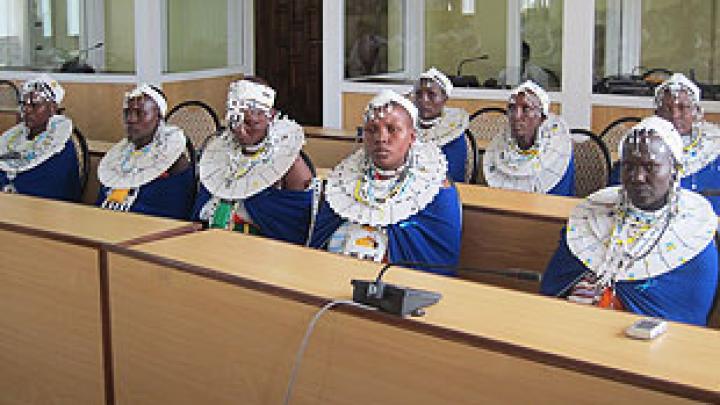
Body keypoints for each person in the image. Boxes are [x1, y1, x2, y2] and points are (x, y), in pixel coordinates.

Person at [541, 116, 718, 327]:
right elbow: (555, 287)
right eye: (629, 166)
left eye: (650, 166)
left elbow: (685, 321)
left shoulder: (693, 238)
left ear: (674, 170)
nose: (638, 177)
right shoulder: (589, 223)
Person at [308, 90, 462, 275]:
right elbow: (320, 244)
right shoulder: (342, 184)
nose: (381, 138)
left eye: (392, 129)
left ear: (412, 137)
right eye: (372, 129)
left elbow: (437, 261)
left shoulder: (435, 189)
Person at [191, 79, 314, 245]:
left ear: (271, 116)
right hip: (211, 242)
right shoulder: (219, 153)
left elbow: (298, 224)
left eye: (251, 123)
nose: (240, 131)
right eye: (235, 122)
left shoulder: (289, 161)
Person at [617, 73, 720, 215]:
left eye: (683, 107)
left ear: (696, 112)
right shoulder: (639, 146)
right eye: (667, 108)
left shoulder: (713, 150)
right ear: (656, 113)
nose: (675, 115)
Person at [97, 84, 194, 220]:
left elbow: (173, 215)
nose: (131, 119)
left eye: (140, 113)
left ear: (159, 118)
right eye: (127, 113)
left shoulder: (173, 161)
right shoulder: (119, 156)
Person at [482, 80, 574, 196]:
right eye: (512, 108)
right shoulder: (499, 149)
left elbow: (558, 204)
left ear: (542, 117)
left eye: (526, 109)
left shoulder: (558, 154)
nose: (517, 116)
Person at [0, 74, 81, 202]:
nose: (26, 110)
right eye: (24, 104)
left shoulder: (61, 147)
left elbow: (54, 190)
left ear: (53, 108)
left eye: (34, 105)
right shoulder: (13, 139)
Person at [412, 67, 471, 182]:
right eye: (419, 94)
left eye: (431, 94)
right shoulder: (408, 126)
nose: (424, 100)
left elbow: (452, 178)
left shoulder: (453, 134)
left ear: (445, 98)